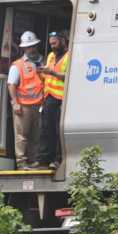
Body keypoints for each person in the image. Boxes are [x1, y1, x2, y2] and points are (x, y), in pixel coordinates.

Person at [7, 31, 44, 170]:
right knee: (22, 136)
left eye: (33, 45)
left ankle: (33, 160)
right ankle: (22, 163)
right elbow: (11, 85)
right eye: (29, 47)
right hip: (23, 106)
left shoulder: (41, 62)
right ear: (24, 48)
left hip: (38, 105)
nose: (32, 48)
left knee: (36, 135)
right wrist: (15, 103)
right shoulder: (17, 65)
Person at [36, 31, 70, 169]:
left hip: (61, 98)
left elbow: (68, 76)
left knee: (58, 130)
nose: (53, 47)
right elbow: (47, 73)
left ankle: (57, 160)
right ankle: (44, 159)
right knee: (45, 129)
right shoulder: (50, 56)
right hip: (48, 97)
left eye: (55, 43)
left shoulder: (69, 56)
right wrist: (42, 72)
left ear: (62, 41)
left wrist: (52, 73)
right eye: (51, 44)